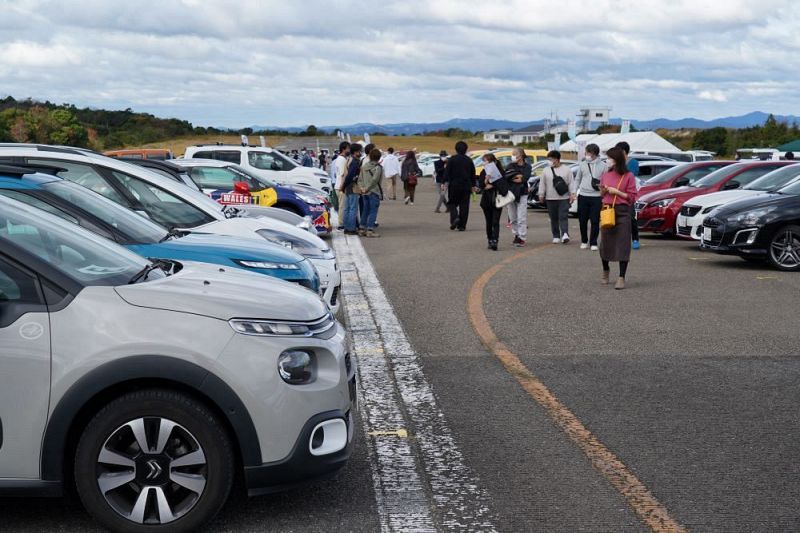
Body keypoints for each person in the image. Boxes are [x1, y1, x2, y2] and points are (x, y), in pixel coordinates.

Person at [599, 147, 638, 290]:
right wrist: (603, 191)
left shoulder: (629, 176)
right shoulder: (605, 174)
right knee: (605, 243)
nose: (607, 160)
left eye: (609, 158)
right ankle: (605, 270)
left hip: (622, 212)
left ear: (616, 160)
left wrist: (618, 192)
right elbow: (602, 195)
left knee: (622, 244)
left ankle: (621, 277)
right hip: (607, 210)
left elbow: (632, 197)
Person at [538, 150, 576, 243]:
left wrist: (573, 193)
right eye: (549, 159)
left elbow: (571, 182)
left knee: (563, 216)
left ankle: (565, 234)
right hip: (550, 198)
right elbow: (542, 183)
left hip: (564, 198)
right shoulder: (546, 170)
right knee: (553, 218)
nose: (549, 161)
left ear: (557, 159)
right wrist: (541, 194)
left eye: (551, 159)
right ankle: (556, 235)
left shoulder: (567, 170)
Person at [574, 143, 604, 250]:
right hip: (583, 195)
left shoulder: (603, 165)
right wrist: (574, 191)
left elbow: (605, 181)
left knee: (595, 220)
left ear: (594, 154)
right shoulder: (582, 164)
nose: (586, 154)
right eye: (586, 152)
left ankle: (593, 242)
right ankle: (584, 240)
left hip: (596, 197)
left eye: (588, 152)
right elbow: (577, 179)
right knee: (582, 220)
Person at [478, 153, 509, 251]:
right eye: (484, 161)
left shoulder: (500, 172)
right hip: (486, 200)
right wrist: (486, 180)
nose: (485, 163)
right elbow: (481, 185)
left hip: (497, 199)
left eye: (486, 161)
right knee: (489, 221)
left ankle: (495, 240)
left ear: (493, 162)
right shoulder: (483, 171)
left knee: (495, 221)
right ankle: (490, 239)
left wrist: (493, 185)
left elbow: (504, 187)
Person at [445, 141, 476, 231]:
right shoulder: (469, 160)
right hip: (466, 186)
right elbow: (472, 174)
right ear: (466, 150)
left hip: (454, 185)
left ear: (456, 149)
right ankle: (462, 225)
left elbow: (447, 172)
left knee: (452, 203)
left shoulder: (452, 159)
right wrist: (473, 185)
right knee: (464, 205)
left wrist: (444, 182)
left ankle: (455, 218)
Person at [615, 142, 641, 250]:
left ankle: (635, 239)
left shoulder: (633, 162)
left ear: (624, 151)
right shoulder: (615, 162)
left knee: (631, 218)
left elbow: (630, 175)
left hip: (628, 196)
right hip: (616, 195)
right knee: (616, 219)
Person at [505, 147, 532, 247]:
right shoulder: (510, 165)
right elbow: (508, 176)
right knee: (512, 217)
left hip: (522, 193)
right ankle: (516, 234)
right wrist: (517, 176)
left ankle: (522, 237)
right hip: (511, 193)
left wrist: (518, 177)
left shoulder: (527, 166)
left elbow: (524, 178)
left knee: (521, 217)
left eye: (514, 154)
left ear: (520, 155)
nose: (512, 155)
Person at [358, 148, 384, 237]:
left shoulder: (364, 166)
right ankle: (370, 230)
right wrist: (368, 188)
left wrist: (362, 188)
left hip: (364, 192)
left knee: (365, 210)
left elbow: (360, 179)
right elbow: (374, 180)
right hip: (373, 191)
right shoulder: (378, 168)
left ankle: (361, 228)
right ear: (379, 158)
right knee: (373, 211)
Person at [342, 143, 363, 235]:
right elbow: (350, 175)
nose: (360, 153)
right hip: (353, 186)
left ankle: (346, 227)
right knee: (353, 209)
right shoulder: (355, 161)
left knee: (347, 208)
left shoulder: (348, 159)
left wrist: (344, 186)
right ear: (355, 152)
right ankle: (351, 228)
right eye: (359, 151)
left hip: (347, 187)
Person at [334, 141, 351, 230]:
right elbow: (342, 174)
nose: (349, 150)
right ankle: (341, 223)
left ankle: (342, 222)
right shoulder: (342, 160)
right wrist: (342, 187)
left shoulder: (339, 158)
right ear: (344, 149)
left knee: (342, 206)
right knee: (342, 206)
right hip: (341, 186)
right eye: (348, 148)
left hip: (338, 185)